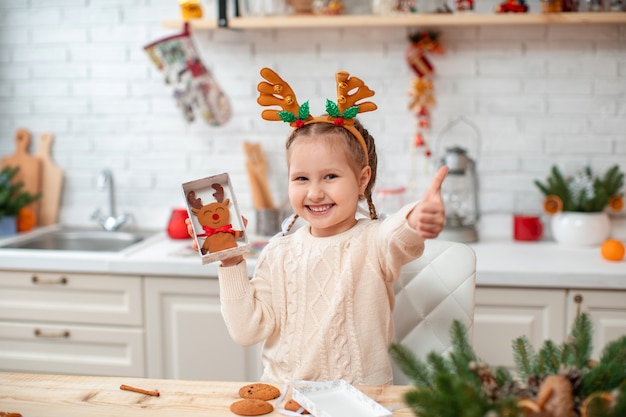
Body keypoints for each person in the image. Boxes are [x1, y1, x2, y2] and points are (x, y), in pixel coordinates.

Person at [186, 68, 448, 385]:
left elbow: (398, 233)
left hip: (361, 401)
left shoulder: (374, 241)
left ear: (362, 179)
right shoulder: (278, 252)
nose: (314, 192)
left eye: (330, 176)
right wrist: (230, 261)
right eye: (301, 178)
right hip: (286, 398)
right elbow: (247, 331)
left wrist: (418, 217)